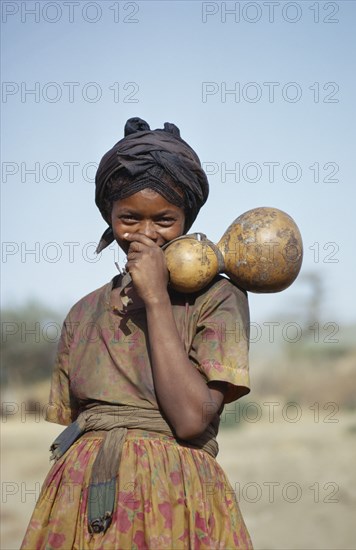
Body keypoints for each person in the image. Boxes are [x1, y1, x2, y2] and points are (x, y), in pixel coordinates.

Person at [21, 118, 253, 549]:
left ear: (187, 220)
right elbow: (79, 424)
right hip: (82, 501)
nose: (145, 234)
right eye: (129, 218)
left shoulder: (218, 298)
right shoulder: (84, 313)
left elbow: (190, 420)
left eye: (164, 220)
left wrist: (158, 300)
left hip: (177, 500)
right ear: (109, 217)